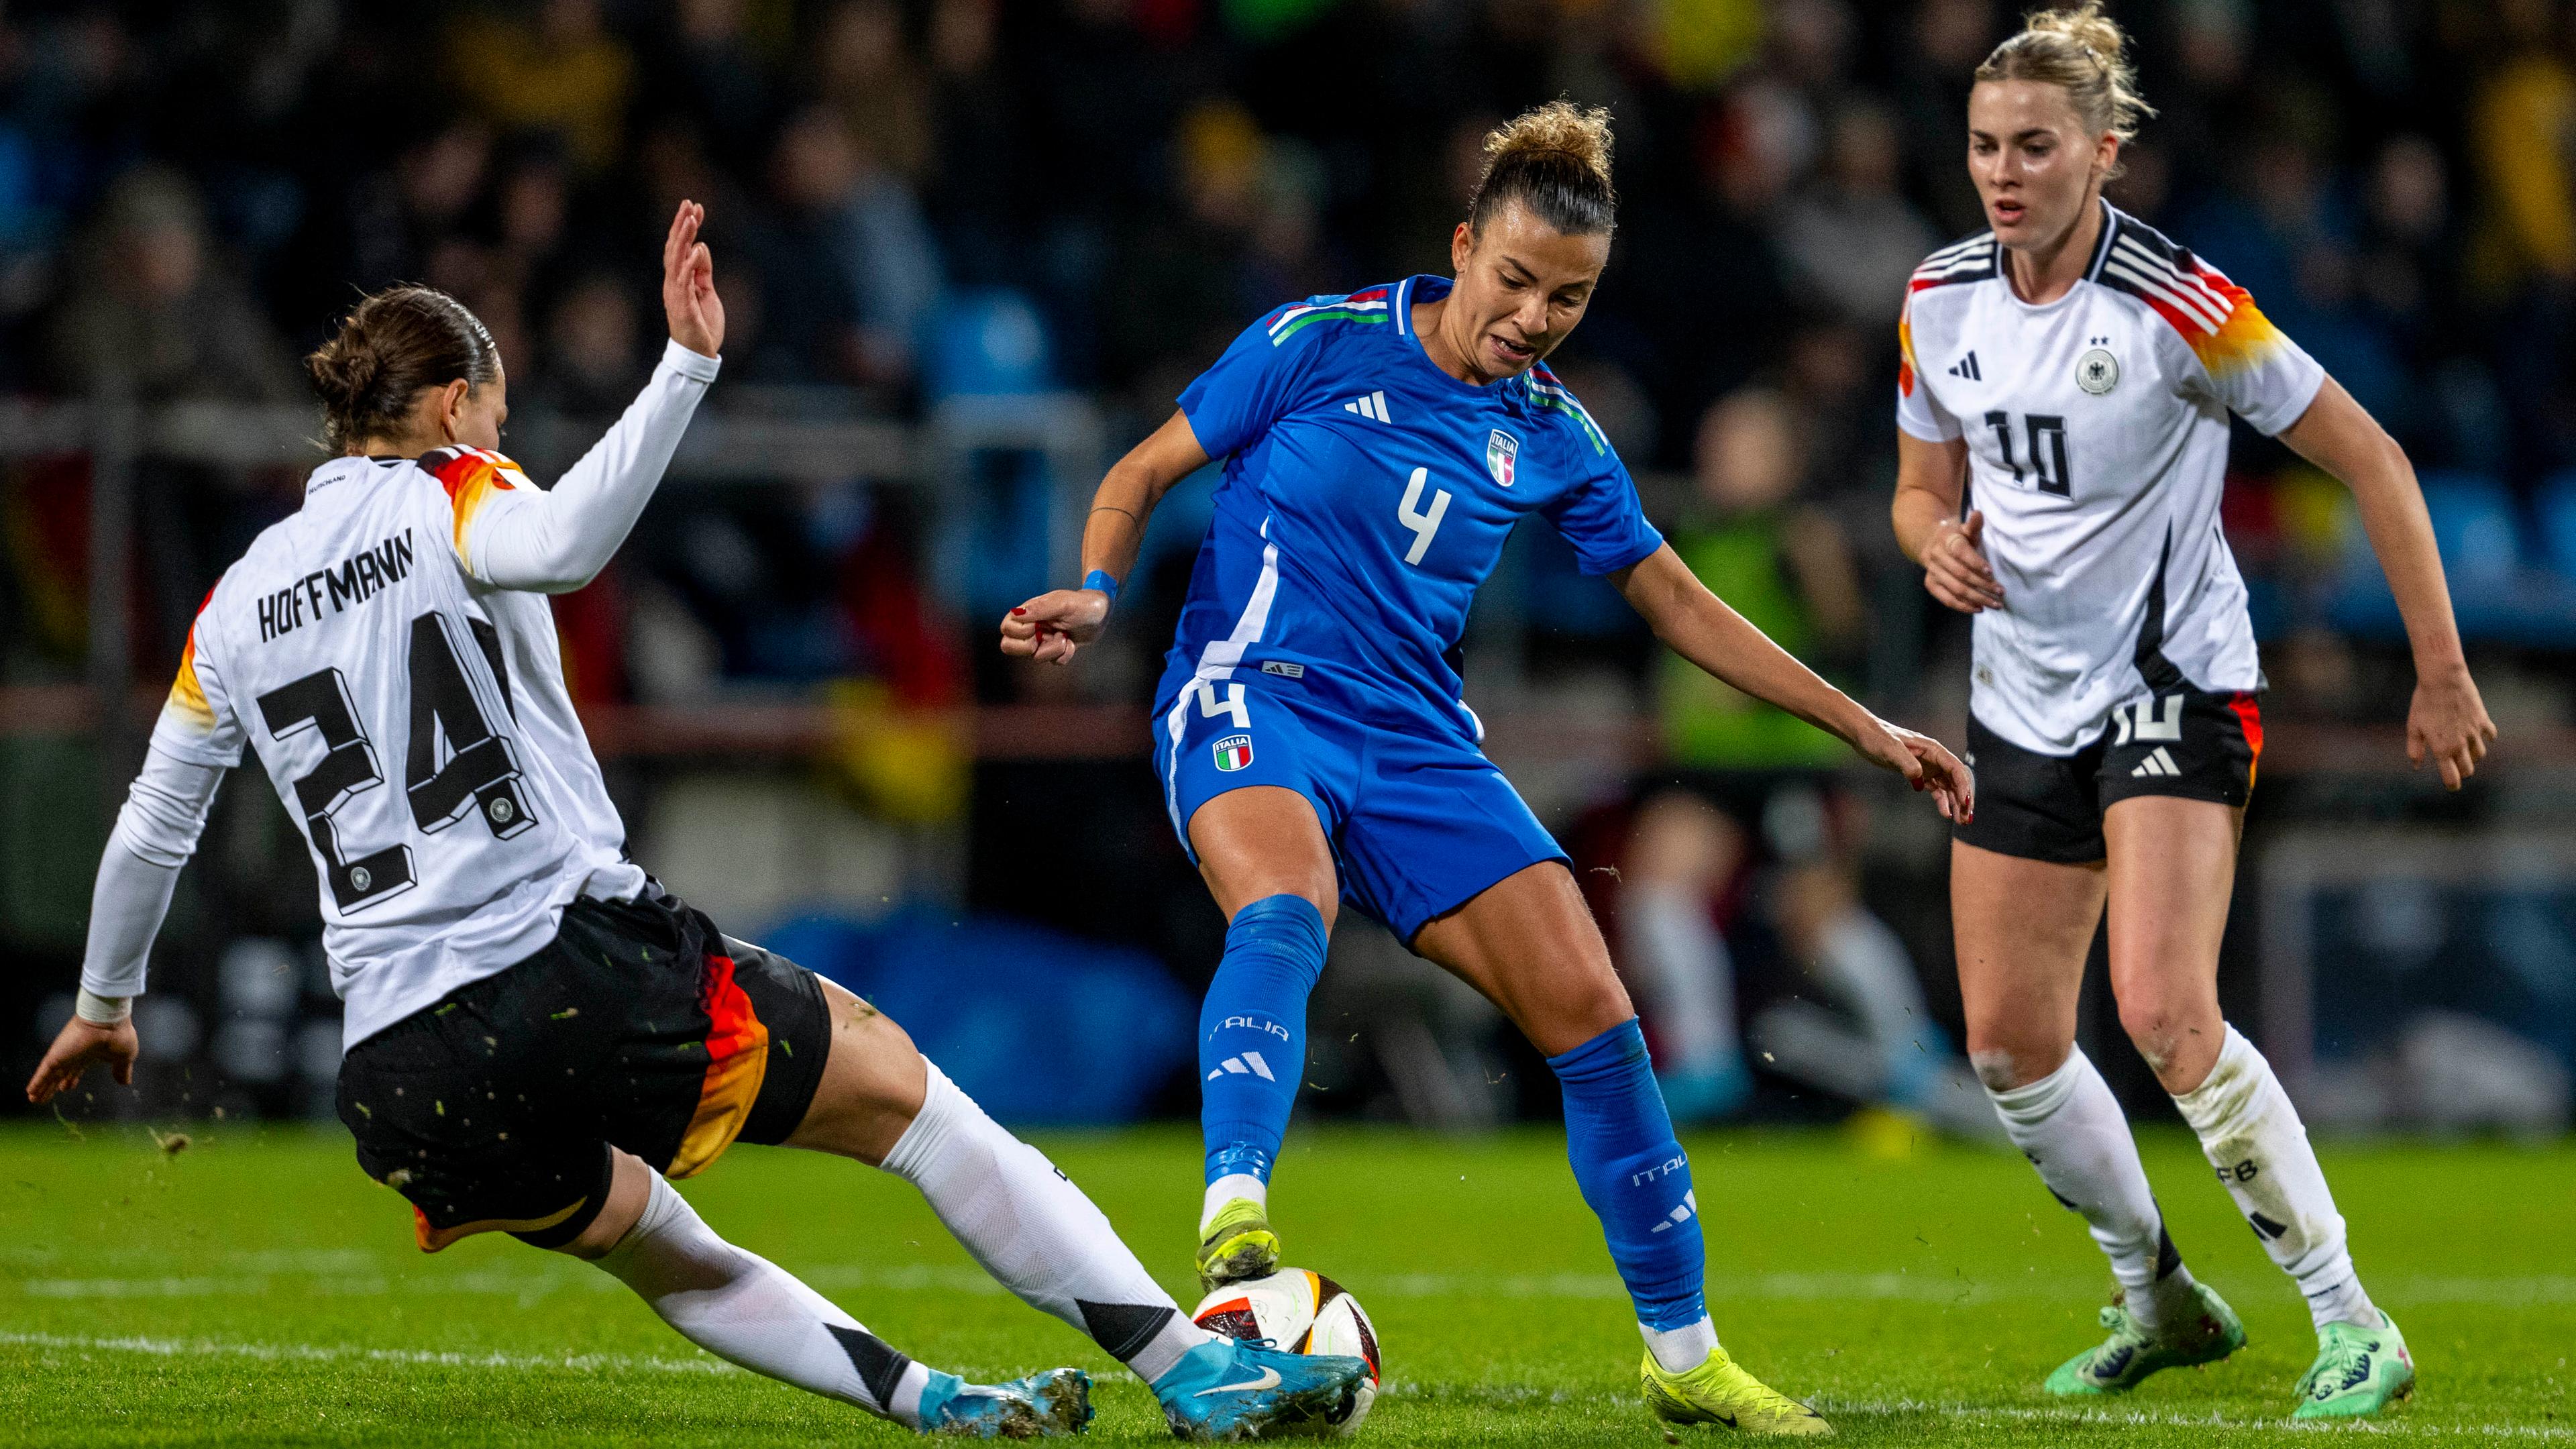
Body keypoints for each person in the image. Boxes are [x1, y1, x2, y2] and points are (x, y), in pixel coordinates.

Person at [26, 202, 1366, 1443]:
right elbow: (557, 546)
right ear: (450, 406)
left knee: (662, 1243)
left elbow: (153, 820)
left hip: (395, 1068)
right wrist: (683, 370)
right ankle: (1201, 1375)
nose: (505, 445)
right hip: (561, 967)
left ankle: (936, 1401)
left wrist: (102, 1002)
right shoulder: (450, 490)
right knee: (912, 1100)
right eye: (493, 419)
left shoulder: (238, 603)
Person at [1002, 102, 1974, 1438]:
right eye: (1514, 279)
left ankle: (1684, 1358)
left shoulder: (1555, 435)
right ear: (1462, 246)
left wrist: (1867, 727)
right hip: (1250, 693)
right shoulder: (1317, 343)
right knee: (1287, 904)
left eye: (1567, 297)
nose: (1533, 314)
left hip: (1413, 739)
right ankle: (1235, 1211)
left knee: (1598, 1014)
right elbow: (1142, 466)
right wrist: (1103, 590)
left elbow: (1680, 605)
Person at [1888, 5, 2493, 1420]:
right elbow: (1920, 485)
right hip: (2019, 697)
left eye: (2036, 145)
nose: (2004, 170)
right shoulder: (1937, 298)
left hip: (2173, 682)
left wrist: (2441, 667)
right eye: (1984, 144)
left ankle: (2354, 1323)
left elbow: (2377, 458)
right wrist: (1930, 540)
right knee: (2008, 1046)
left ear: (2105, 152)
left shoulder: (2183, 304)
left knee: (2164, 1010)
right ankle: (2158, 1296)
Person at [1623, 389, 1988, 1138]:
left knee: (1817, 919)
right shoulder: (1693, 532)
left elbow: (1847, 644)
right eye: (1716, 445)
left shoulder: (1802, 537)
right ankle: (1705, 1062)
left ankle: (1910, 1057)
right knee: (1657, 890)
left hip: (1792, 761)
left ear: (1786, 464)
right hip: (1712, 766)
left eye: (1742, 447)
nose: (1719, 460)